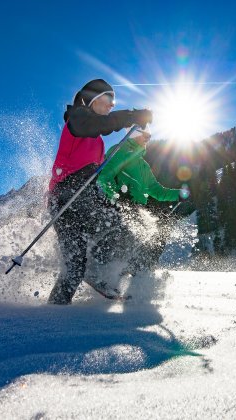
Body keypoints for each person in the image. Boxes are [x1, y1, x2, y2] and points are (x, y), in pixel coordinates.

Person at [47, 79, 152, 304]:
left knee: (121, 228)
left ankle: (91, 276)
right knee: (80, 261)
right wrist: (132, 115)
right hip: (66, 197)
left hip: (84, 195)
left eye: (113, 103)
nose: (110, 106)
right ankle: (86, 279)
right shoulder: (77, 119)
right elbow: (97, 125)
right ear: (92, 99)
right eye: (107, 100)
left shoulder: (97, 141)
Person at [94, 127, 184, 276]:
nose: (148, 139)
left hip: (134, 207)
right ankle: (98, 267)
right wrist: (116, 196)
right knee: (129, 230)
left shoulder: (143, 166)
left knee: (157, 235)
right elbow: (104, 176)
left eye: (150, 135)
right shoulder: (121, 150)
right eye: (146, 135)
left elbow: (157, 190)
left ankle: (138, 270)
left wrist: (178, 194)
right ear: (135, 133)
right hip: (116, 203)